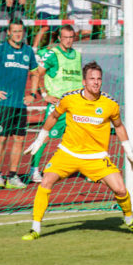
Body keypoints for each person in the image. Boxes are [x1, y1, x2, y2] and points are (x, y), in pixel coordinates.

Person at [22, 61, 133, 240]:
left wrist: (129, 152)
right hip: (67, 153)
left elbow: (119, 126)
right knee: (46, 182)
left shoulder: (110, 104)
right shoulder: (69, 99)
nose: (95, 82)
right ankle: (35, 228)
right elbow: (54, 116)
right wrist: (40, 138)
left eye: (98, 79)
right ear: (84, 82)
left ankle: (129, 220)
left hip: (96, 157)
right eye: (91, 79)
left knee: (120, 189)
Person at [0, 19, 39, 190]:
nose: (18, 34)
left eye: (21, 31)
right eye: (15, 31)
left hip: (20, 105)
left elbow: (35, 73)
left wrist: (32, 94)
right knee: (2, 139)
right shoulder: (0, 50)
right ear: (9, 33)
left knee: (19, 139)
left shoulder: (28, 51)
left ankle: (12, 176)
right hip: (3, 103)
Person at [29, 24, 83, 183]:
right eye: (65, 37)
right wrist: (44, 94)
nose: (68, 40)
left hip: (75, 104)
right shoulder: (52, 54)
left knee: (80, 136)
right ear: (59, 38)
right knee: (45, 136)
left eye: (71, 37)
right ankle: (34, 169)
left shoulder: (77, 55)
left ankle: (85, 168)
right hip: (58, 104)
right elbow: (37, 73)